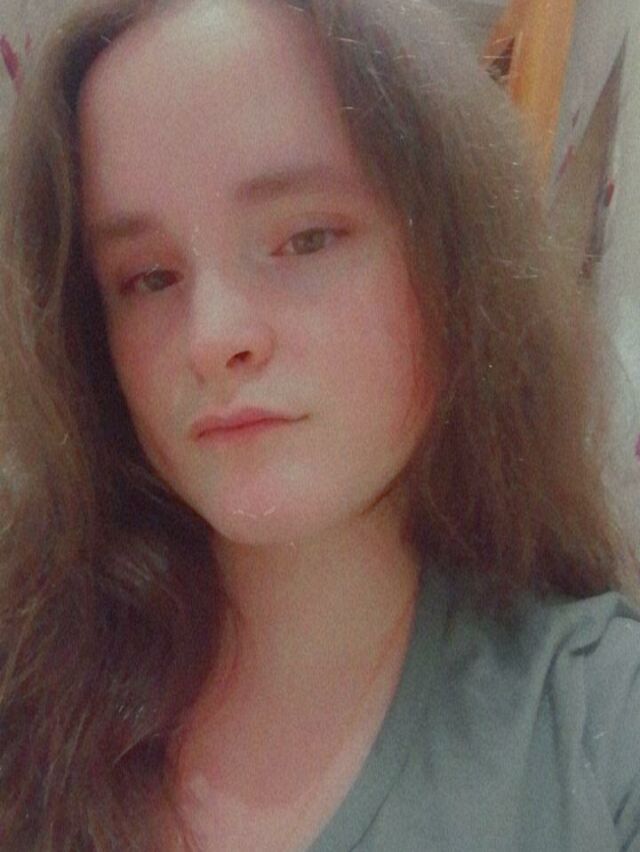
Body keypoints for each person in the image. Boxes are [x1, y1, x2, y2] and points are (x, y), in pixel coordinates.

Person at [0, 0, 638, 849]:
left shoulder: (599, 730)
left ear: (457, 261)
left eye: (306, 239)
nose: (212, 338)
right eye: (149, 278)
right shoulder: (26, 684)